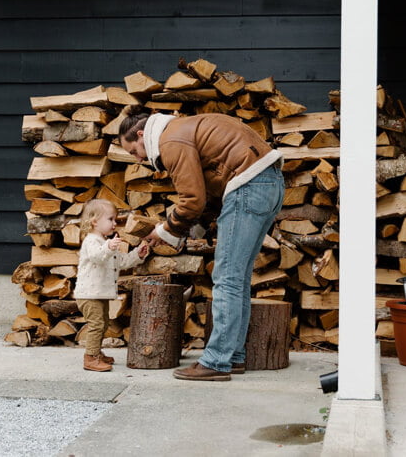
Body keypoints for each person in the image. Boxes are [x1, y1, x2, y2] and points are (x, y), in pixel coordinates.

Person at [118, 110, 285, 381]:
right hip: (269, 184)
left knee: (227, 278)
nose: (137, 159)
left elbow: (192, 199)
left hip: (249, 185)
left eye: (133, 151)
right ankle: (233, 357)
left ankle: (216, 362)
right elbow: (208, 194)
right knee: (237, 279)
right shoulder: (184, 128)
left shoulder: (169, 140)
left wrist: (166, 230)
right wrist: (194, 228)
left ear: (141, 135)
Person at [75, 198, 150, 372]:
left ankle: (96, 353)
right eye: (110, 219)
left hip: (99, 293)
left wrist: (137, 255)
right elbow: (97, 257)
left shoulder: (105, 242)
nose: (115, 223)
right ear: (94, 221)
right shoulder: (91, 241)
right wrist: (109, 247)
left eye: (115, 219)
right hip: (88, 294)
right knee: (96, 324)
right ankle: (90, 358)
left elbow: (121, 262)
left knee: (103, 323)